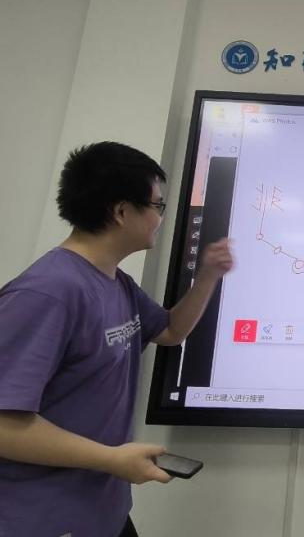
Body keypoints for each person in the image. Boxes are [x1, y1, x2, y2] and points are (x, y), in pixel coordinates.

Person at [0, 142, 233, 537]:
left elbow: (171, 331)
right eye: (157, 205)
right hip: (42, 519)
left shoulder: (116, 283)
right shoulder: (47, 293)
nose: (160, 217)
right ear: (122, 211)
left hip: (102, 511)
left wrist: (208, 275)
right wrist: (111, 459)